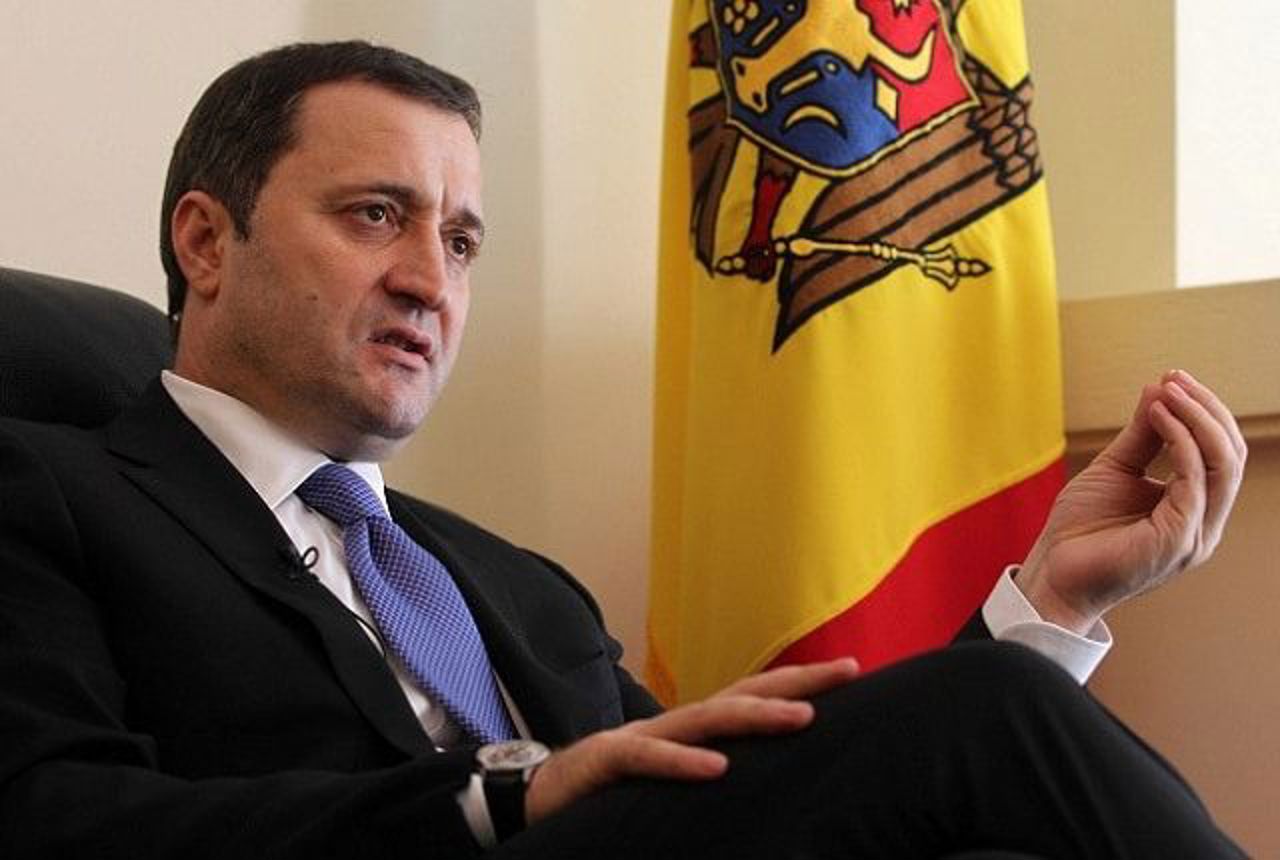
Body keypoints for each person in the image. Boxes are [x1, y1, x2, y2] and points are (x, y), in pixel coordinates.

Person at [0, 41, 1247, 858]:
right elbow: (56, 817)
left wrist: (1045, 602)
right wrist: (500, 794)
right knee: (993, 711)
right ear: (206, 243)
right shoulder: (49, 491)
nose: (431, 279)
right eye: (375, 215)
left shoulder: (518, 585)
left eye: (462, 241)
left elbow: (746, 799)